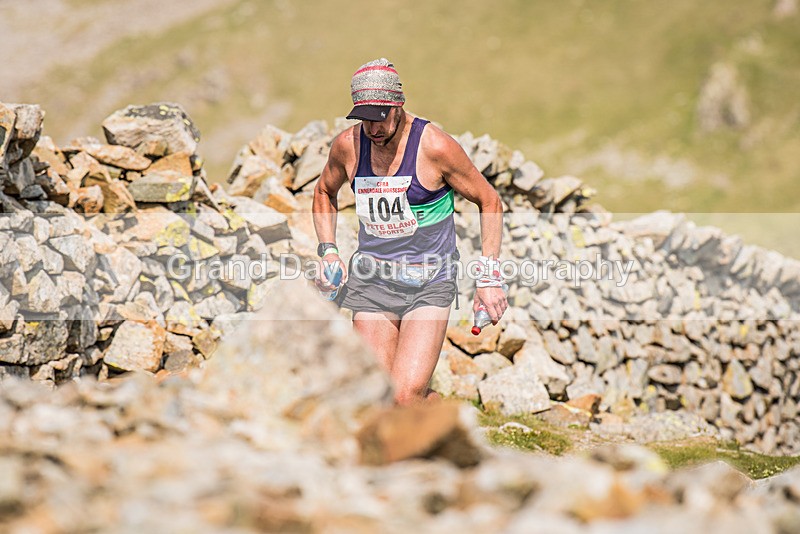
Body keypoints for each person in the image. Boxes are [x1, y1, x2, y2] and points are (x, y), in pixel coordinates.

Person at [313, 58, 507, 405]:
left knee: (404, 396)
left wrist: (489, 277)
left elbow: (489, 201)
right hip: (373, 280)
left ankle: (446, 431)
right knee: (375, 393)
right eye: (364, 118)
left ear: (398, 105)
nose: (372, 128)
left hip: (429, 282)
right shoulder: (348, 146)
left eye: (380, 116)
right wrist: (328, 250)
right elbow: (324, 192)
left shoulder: (435, 147)